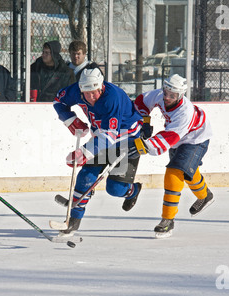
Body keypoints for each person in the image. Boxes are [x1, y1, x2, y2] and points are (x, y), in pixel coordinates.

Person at [53, 68, 143, 236]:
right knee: (85, 176)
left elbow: (109, 137)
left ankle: (133, 190)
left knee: (115, 189)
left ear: (101, 86)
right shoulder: (76, 91)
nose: (91, 97)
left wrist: (83, 153)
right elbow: (58, 100)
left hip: (126, 140)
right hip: (102, 136)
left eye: (94, 92)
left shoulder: (112, 98)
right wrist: (70, 119)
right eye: (86, 93)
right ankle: (72, 222)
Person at [132, 74, 214, 238]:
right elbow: (141, 101)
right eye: (166, 92)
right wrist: (145, 121)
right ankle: (205, 196)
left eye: (173, 95)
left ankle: (167, 220)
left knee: (174, 172)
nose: (167, 97)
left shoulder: (185, 112)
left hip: (196, 138)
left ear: (181, 95)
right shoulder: (160, 95)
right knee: (187, 173)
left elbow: (169, 137)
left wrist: (146, 145)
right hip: (179, 139)